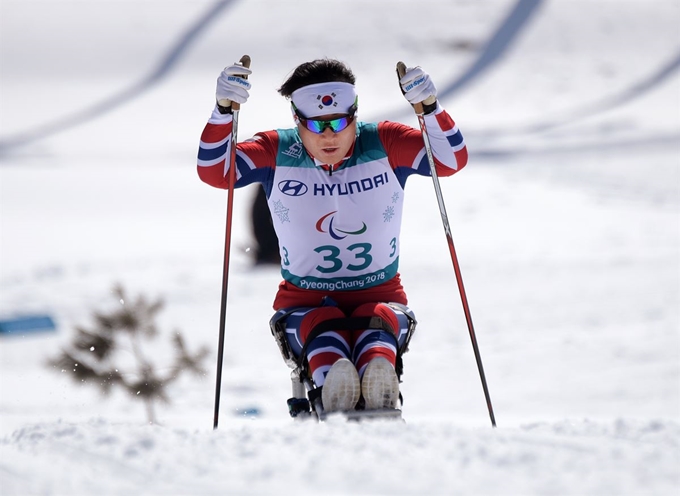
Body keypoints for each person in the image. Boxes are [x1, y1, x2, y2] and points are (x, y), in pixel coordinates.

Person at [197, 58, 468, 415]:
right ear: (298, 121)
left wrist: (430, 108)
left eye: (340, 122)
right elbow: (216, 171)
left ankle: (377, 378)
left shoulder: (384, 141)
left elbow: (450, 160)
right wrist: (222, 112)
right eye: (316, 125)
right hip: (304, 300)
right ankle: (333, 383)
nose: (329, 135)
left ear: (355, 116)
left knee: (376, 322)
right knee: (323, 326)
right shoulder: (278, 149)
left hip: (380, 293)